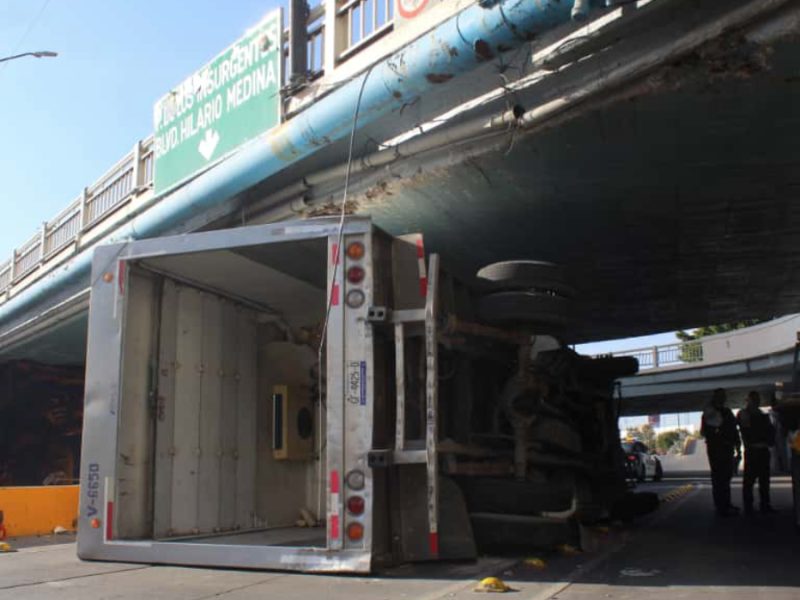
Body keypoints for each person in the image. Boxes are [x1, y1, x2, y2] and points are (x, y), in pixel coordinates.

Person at [701, 388, 741, 516]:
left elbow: (734, 430)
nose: (723, 398)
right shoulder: (709, 412)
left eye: (724, 396)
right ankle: (720, 506)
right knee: (718, 477)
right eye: (720, 396)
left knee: (727, 476)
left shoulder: (727, 412)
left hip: (727, 447)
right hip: (715, 448)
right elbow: (704, 431)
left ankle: (726, 503)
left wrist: (737, 447)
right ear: (715, 397)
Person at [737, 391, 776, 515]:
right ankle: (749, 506)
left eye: (757, 399)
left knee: (764, 480)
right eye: (754, 399)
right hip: (753, 450)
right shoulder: (744, 414)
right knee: (750, 481)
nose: (756, 401)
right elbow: (746, 431)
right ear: (748, 400)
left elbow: (770, 431)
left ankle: (764, 504)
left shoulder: (761, 414)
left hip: (762, 450)